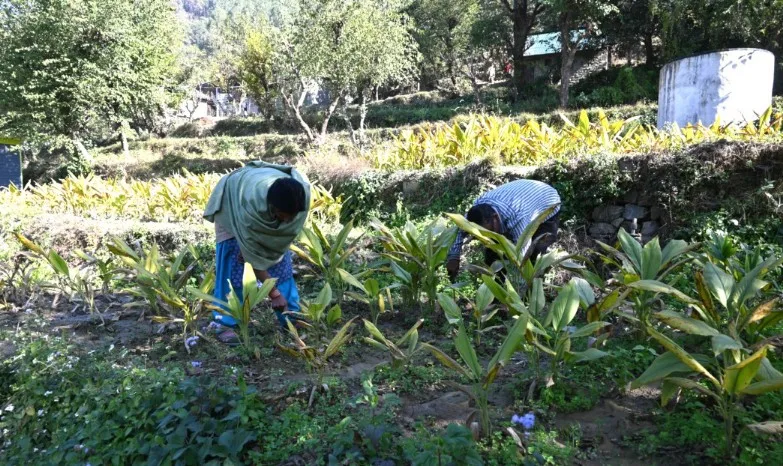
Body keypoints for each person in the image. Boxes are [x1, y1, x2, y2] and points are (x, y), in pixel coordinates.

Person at [203, 161, 310, 344]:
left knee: (281, 264)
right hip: (233, 202)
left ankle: (290, 316)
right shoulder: (249, 210)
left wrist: (268, 253)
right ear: (273, 207)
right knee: (233, 268)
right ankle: (225, 323)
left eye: (293, 216)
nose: (289, 221)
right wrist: (274, 294)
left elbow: (281, 239)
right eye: (285, 215)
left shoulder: (300, 197)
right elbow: (251, 258)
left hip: (257, 192)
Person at [446, 179, 561, 281]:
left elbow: (522, 254)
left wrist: (515, 282)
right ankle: (495, 291)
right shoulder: (477, 211)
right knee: (493, 255)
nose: (483, 238)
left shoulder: (518, 217)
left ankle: (532, 292)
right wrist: (453, 257)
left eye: (486, 232)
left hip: (547, 202)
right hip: (520, 195)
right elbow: (460, 231)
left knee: (534, 257)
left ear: (495, 218)